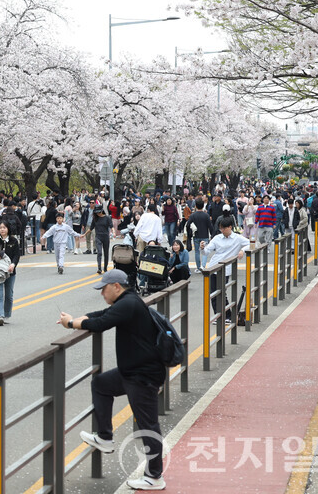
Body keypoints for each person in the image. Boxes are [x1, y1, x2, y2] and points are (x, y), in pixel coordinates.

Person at [60, 269, 166, 491]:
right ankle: (105, 437)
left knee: (148, 425)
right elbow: (103, 314)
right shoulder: (128, 301)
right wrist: (83, 317)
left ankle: (154, 476)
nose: (102, 293)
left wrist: (72, 324)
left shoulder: (129, 304)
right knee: (101, 384)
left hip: (142, 376)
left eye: (103, 289)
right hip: (132, 372)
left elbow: (102, 324)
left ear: (116, 286)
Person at [201, 217, 250, 324]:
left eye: (224, 228)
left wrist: (242, 250)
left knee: (221, 292)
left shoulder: (237, 238)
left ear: (230, 227)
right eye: (220, 229)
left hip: (226, 268)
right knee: (213, 293)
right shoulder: (217, 238)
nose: (222, 231)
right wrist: (202, 248)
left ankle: (227, 315)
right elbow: (206, 252)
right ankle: (219, 315)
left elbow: (252, 242)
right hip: (213, 267)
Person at [0, 221, 20, 326]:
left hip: (10, 272)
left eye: (4, 227)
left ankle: (6, 314)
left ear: (8, 229)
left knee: (9, 295)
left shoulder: (14, 241)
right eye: (0, 228)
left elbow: (17, 255)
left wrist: (13, 264)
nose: (2, 229)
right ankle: (0, 316)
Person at [187, 198, 214, 272]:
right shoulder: (206, 215)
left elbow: (188, 224)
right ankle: (203, 266)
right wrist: (212, 235)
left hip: (196, 235)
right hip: (205, 235)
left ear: (195, 206)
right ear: (203, 206)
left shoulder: (193, 215)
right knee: (205, 250)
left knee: (197, 251)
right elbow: (210, 226)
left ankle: (198, 267)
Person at [87, 205, 114, 274]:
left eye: (99, 212)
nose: (98, 214)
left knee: (106, 253)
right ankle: (99, 268)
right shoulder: (95, 218)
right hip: (98, 237)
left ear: (102, 211)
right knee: (99, 252)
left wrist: (113, 232)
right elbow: (91, 228)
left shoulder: (107, 218)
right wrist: (84, 234)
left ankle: (105, 268)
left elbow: (111, 226)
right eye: (96, 212)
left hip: (105, 237)